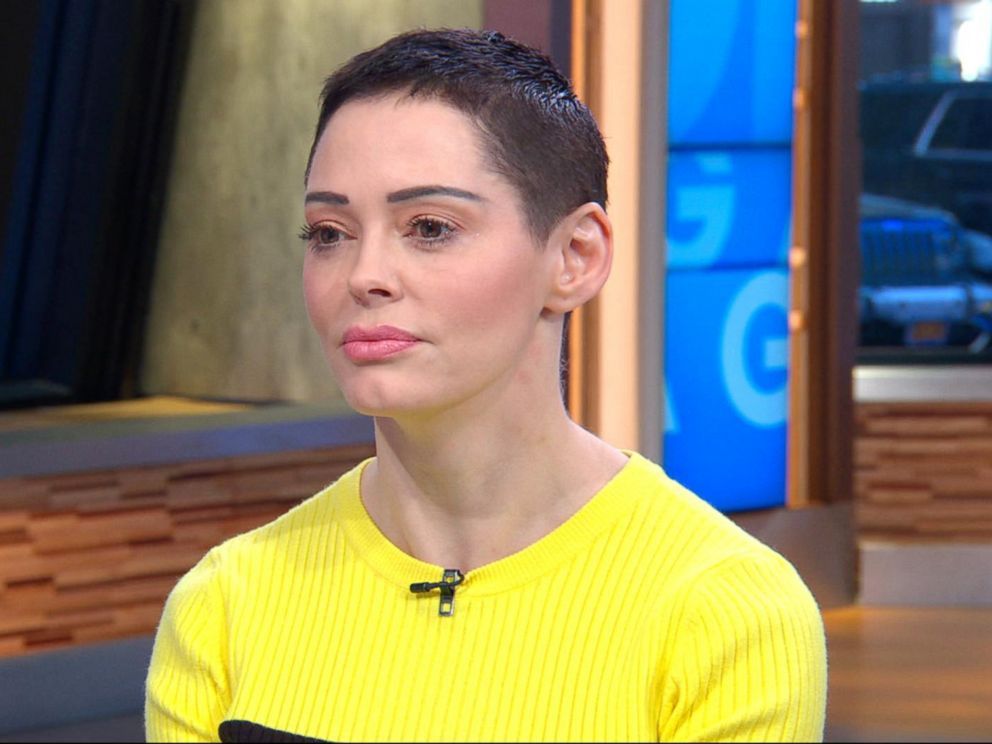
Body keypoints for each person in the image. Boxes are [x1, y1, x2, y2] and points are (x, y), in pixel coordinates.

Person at [145, 28, 827, 742]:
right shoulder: (224, 606)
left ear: (575, 256)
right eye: (329, 233)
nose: (364, 275)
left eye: (429, 227)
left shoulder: (725, 609)